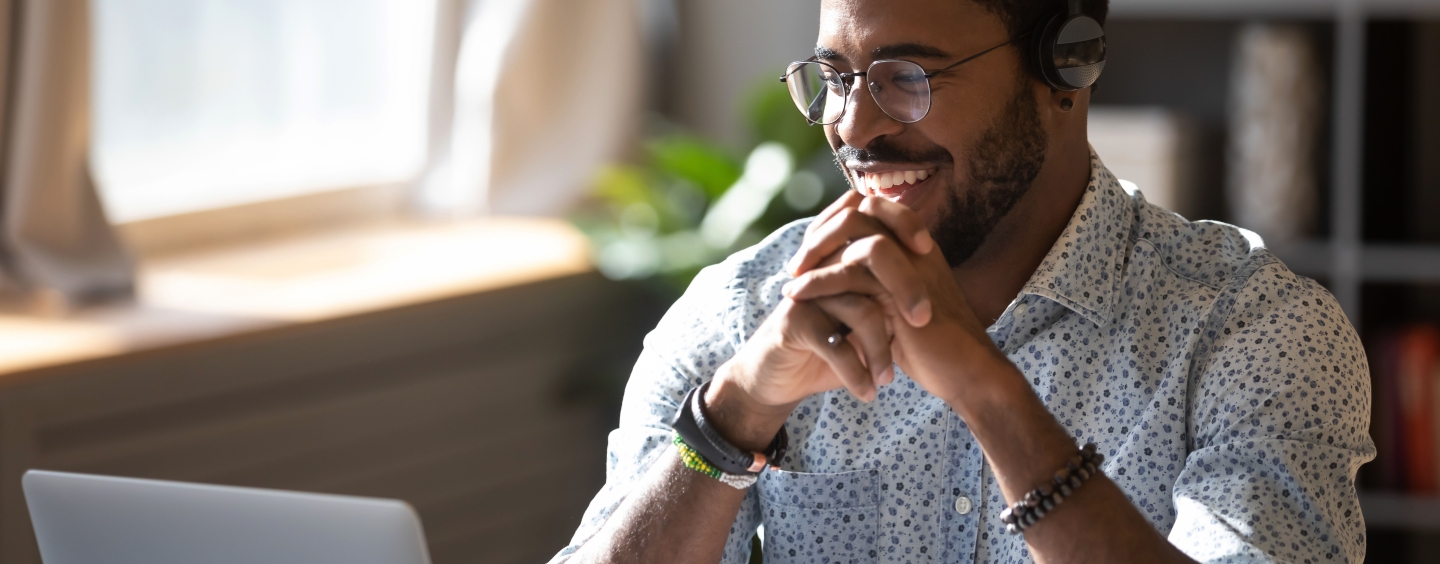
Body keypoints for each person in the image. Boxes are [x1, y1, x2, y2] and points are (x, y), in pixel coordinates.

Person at [551, 0, 1374, 562]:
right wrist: (734, 418)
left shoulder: (1255, 332)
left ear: (1067, 67)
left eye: (906, 76)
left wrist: (990, 395)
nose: (853, 126)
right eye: (836, 77)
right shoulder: (741, 315)